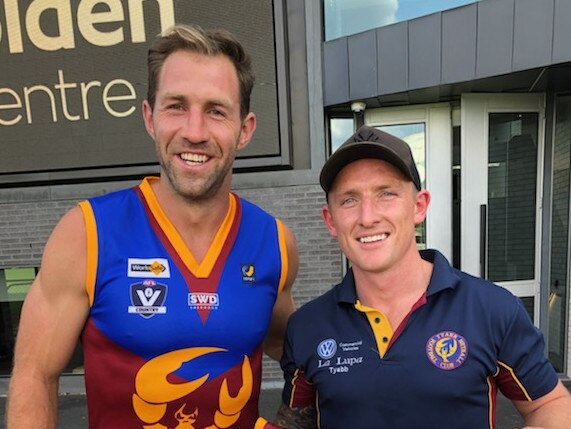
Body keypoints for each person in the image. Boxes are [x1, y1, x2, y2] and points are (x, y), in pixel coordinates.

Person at [7, 23, 298, 429]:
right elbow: (35, 375)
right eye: (176, 106)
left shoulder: (275, 242)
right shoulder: (87, 233)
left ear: (244, 129)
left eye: (216, 111)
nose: (194, 132)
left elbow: (289, 347)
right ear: (149, 117)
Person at [275, 125, 571, 429]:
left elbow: (551, 404)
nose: (367, 217)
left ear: (419, 206)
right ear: (331, 221)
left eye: (386, 193)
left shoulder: (491, 310)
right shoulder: (307, 326)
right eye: (349, 200)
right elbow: (296, 422)